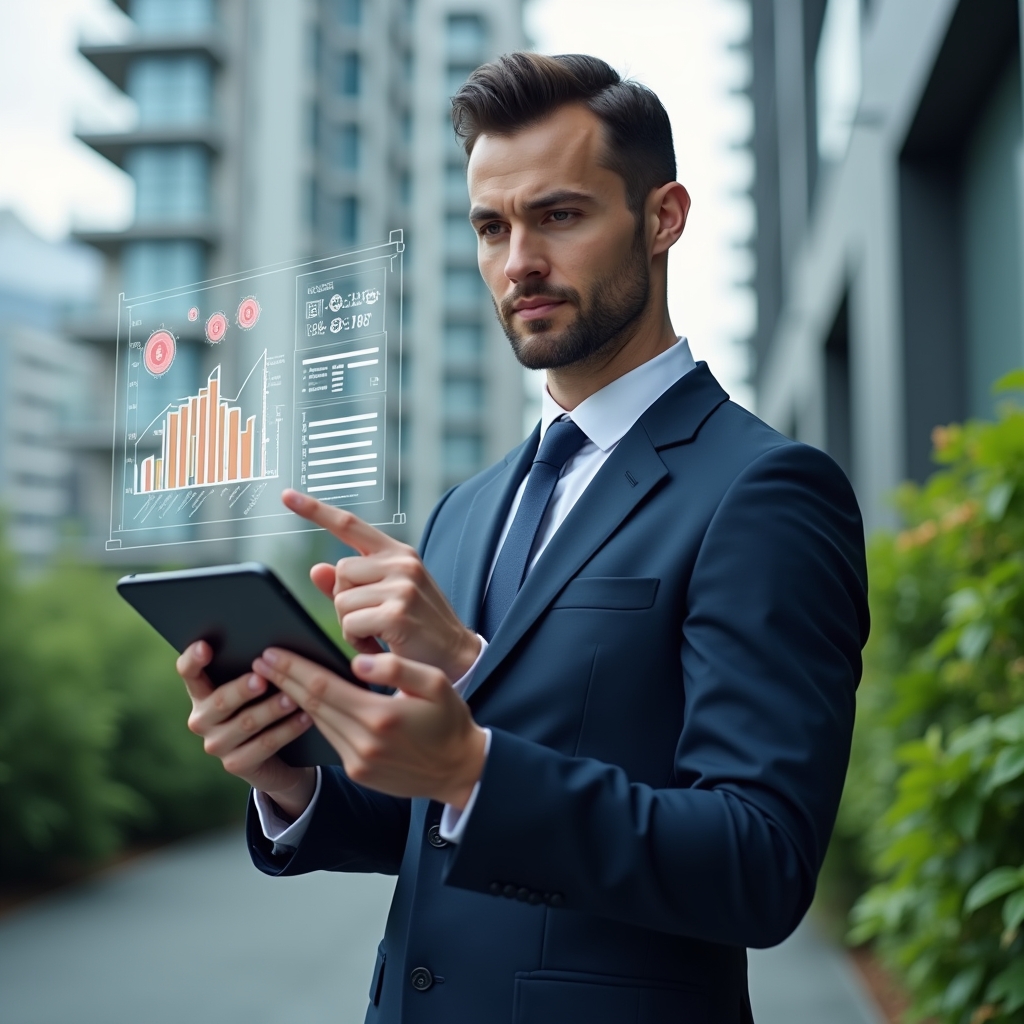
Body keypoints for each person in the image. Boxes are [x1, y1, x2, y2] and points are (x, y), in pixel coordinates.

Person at [176, 53, 868, 1023]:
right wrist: (291, 775)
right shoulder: (468, 509)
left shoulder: (764, 493)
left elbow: (757, 861)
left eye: (559, 216)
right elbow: (436, 820)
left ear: (662, 217)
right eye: (491, 228)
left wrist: (472, 755)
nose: (518, 264)